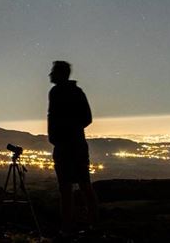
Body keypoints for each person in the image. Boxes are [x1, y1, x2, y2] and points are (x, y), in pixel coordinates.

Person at [47, 60, 99, 234]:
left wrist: (61, 133)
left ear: (60, 74)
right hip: (75, 145)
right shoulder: (75, 92)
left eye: (53, 71)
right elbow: (87, 118)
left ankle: (69, 228)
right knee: (83, 185)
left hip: (66, 147)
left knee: (68, 188)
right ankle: (92, 225)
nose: (50, 75)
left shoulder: (57, 93)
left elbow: (56, 118)